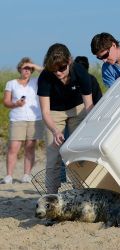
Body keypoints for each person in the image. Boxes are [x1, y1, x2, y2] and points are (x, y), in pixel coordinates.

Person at [37, 43, 93, 194]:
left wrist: (90, 128)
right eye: (54, 70)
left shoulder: (80, 72)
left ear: (69, 61)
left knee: (77, 152)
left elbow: (89, 106)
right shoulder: (45, 76)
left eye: (61, 68)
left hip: (78, 109)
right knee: (53, 153)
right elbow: (45, 112)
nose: (58, 73)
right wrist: (55, 131)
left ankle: (80, 192)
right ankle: (51, 196)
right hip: (54, 113)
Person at [1, 57, 44, 184]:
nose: (27, 70)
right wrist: (16, 104)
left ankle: (26, 175)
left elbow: (47, 73)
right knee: (13, 148)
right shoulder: (11, 83)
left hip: (34, 119)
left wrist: (33, 65)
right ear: (19, 68)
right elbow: (6, 102)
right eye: (25, 68)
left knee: (30, 148)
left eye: (29, 68)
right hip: (17, 118)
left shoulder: (36, 82)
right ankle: (9, 175)